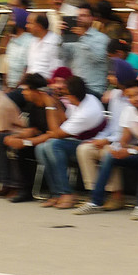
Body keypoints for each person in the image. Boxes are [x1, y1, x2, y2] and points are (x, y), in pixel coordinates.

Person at [75, 80, 138, 220]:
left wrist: (132, 151)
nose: (135, 99)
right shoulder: (128, 111)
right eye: (130, 96)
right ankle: (95, 201)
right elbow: (124, 138)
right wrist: (119, 148)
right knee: (109, 155)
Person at [32, 76, 108, 209]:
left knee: (52, 145)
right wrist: (56, 103)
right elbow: (64, 121)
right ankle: (56, 194)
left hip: (89, 145)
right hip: (77, 140)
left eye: (66, 94)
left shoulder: (86, 112)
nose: (64, 96)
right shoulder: (83, 100)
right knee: (41, 148)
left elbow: (56, 133)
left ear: (73, 96)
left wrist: (49, 106)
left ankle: (67, 193)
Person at [75, 60, 135, 210]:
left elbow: (129, 131)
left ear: (122, 76)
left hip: (129, 141)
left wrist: (107, 141)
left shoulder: (134, 97)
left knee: (108, 152)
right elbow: (112, 125)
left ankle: (117, 196)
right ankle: (94, 193)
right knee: (84, 149)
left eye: (112, 75)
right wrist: (98, 139)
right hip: (112, 138)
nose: (109, 78)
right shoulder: (114, 95)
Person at [0, 73, 53, 202]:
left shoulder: (51, 106)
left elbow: (53, 133)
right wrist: (15, 137)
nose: (23, 93)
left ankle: (53, 190)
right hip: (39, 139)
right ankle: (23, 189)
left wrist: (25, 142)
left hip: (51, 141)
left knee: (25, 147)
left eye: (26, 89)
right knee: (13, 144)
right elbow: (33, 129)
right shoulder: (32, 105)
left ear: (36, 91)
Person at [60, 3, 110, 96]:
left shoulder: (102, 38)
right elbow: (61, 57)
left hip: (94, 88)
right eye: (78, 16)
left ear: (92, 18)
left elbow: (97, 58)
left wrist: (84, 37)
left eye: (83, 15)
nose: (79, 18)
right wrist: (61, 37)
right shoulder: (72, 38)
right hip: (76, 89)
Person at [25, 13, 63, 80]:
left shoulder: (54, 41)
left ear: (39, 27)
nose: (26, 26)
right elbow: (30, 67)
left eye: (30, 23)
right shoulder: (33, 41)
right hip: (31, 83)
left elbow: (56, 69)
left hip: (45, 85)